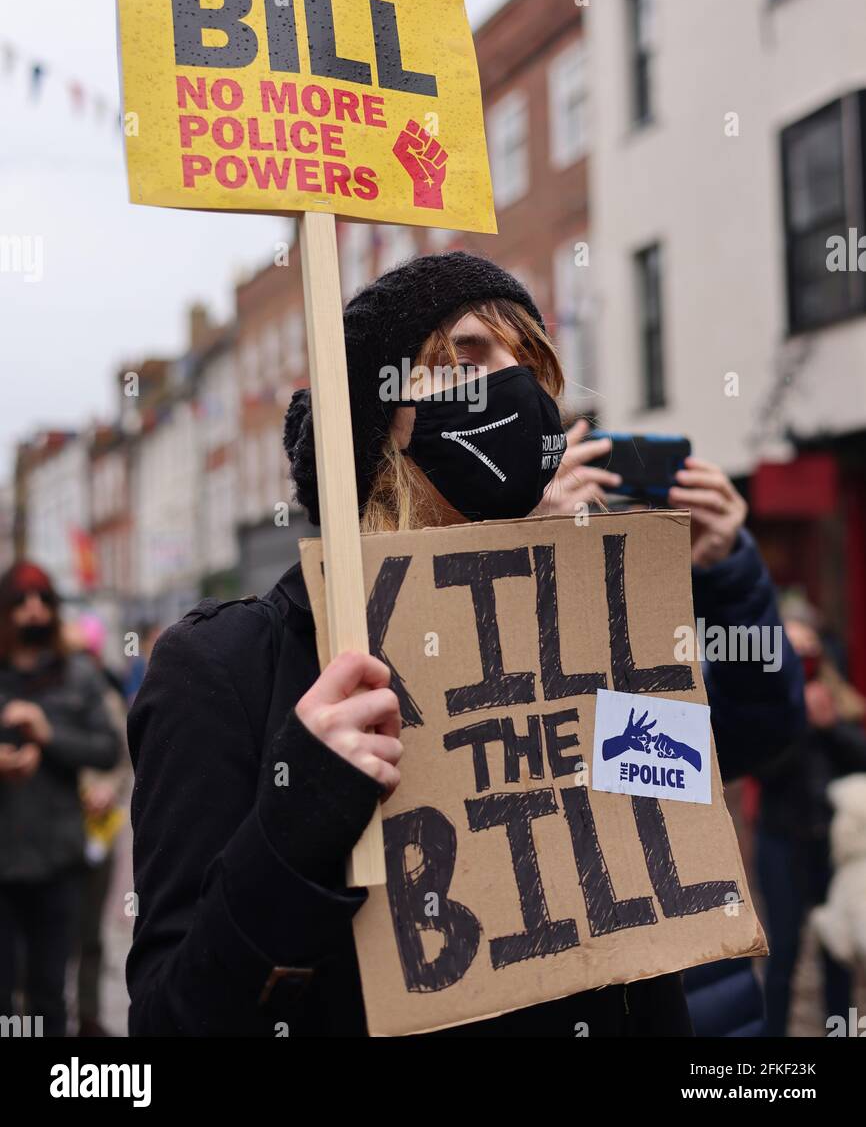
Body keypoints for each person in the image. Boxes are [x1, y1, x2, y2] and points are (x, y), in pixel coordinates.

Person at [127, 252, 803, 1037]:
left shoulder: (582, 630)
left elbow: (725, 755)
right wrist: (297, 819)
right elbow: (175, 1020)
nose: (514, 392)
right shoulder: (229, 669)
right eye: (464, 362)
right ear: (373, 422)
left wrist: (718, 580)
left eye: (533, 370)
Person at [0, 563, 120, 1037]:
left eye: (43, 600)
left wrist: (50, 736)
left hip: (58, 859)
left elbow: (108, 747)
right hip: (3, 861)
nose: (33, 610)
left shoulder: (78, 676)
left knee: (50, 989)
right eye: (21, 601)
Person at [755, 597, 866, 1036]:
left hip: (831, 846)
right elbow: (762, 771)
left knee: (837, 955)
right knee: (782, 953)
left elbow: (861, 759)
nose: (802, 659)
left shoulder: (838, 699)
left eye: (809, 649)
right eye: (792, 649)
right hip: (780, 841)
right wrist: (797, 719)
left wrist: (830, 725)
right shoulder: (769, 706)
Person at [63, 613, 132, 1037]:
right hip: (49, 832)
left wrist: (107, 787)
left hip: (99, 830)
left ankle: (87, 1016)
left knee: (91, 930)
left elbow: (122, 755)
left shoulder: (107, 698)